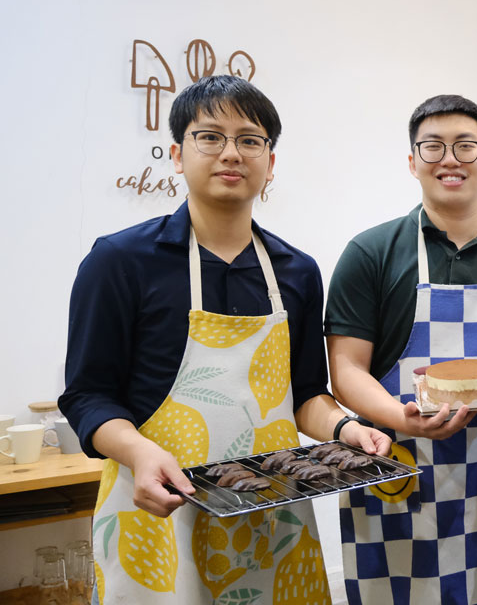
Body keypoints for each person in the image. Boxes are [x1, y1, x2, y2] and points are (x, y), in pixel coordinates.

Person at [58, 75, 391, 603]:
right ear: (177, 153)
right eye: (209, 136)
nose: (230, 153)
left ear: (270, 163)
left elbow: (303, 394)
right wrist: (141, 454)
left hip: (272, 515)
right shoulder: (119, 262)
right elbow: (87, 395)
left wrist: (346, 429)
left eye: (249, 140)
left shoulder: (297, 271)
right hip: (157, 511)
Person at [325, 94, 477, 604]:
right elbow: (345, 370)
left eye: (466, 146)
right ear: (412, 162)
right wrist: (401, 416)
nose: (450, 159)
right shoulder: (371, 253)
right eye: (432, 147)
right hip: (397, 465)